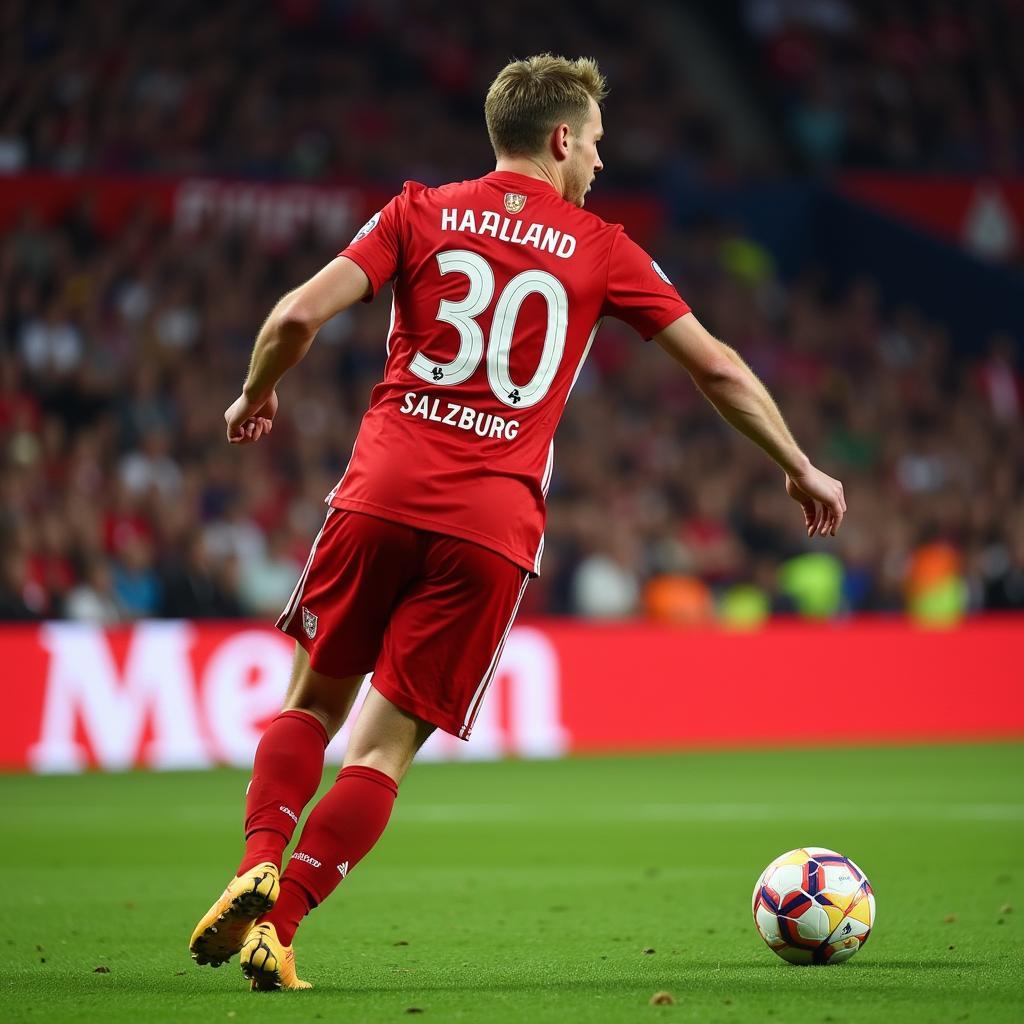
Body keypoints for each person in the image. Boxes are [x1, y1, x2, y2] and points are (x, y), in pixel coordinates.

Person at [188, 54, 846, 991]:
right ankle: (281, 923)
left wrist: (254, 394)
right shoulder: (603, 247)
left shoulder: (415, 211)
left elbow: (296, 314)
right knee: (381, 750)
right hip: (492, 526)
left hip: (378, 494)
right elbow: (721, 370)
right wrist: (797, 464)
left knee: (311, 705)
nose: (602, 168)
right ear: (563, 138)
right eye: (598, 148)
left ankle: (258, 859)